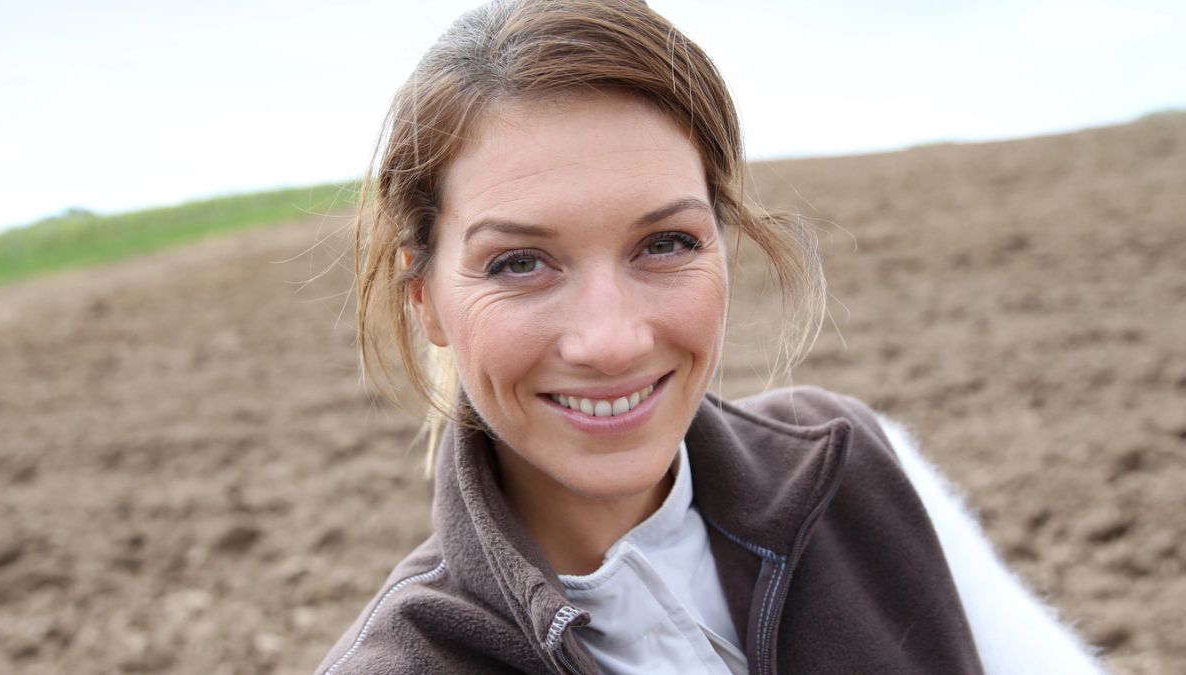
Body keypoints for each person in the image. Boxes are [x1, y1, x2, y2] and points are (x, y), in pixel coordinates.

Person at [317, 1, 1104, 673]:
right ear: (424, 298)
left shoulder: (859, 471)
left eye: (665, 243)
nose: (612, 340)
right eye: (519, 262)